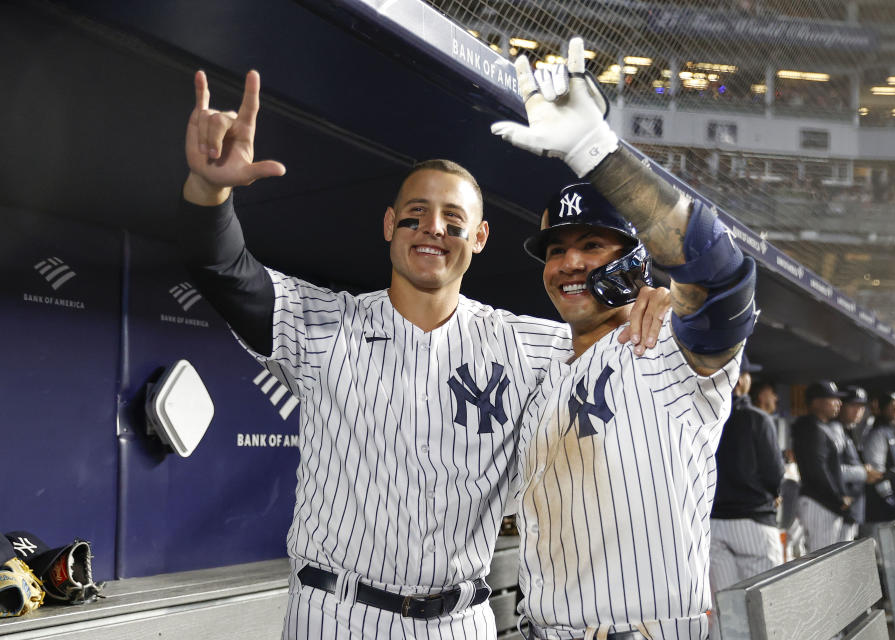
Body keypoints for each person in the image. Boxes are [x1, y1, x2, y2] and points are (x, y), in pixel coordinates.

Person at [178, 69, 671, 639]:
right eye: (416, 213)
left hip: (459, 621)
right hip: (338, 614)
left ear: (479, 238)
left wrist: (652, 302)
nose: (432, 228)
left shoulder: (533, 347)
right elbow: (223, 271)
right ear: (390, 226)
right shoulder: (325, 326)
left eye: (453, 220)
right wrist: (209, 191)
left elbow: (634, 367)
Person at [492, 38, 758, 640]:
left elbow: (720, 274)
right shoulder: (545, 371)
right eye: (556, 251)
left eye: (591, 245)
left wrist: (596, 154)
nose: (568, 263)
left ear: (636, 263)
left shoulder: (667, 343)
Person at [709, 355, 784, 600]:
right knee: (768, 607)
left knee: (727, 611)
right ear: (739, 380)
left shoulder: (704, 419)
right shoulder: (757, 418)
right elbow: (774, 473)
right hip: (753, 521)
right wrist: (775, 493)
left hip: (713, 524)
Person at [791, 381, 851, 552]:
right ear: (817, 402)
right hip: (818, 503)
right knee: (821, 561)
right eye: (833, 399)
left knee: (827, 560)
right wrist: (838, 498)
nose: (839, 403)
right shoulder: (811, 428)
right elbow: (817, 469)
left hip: (822, 503)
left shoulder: (818, 427)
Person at [862, 392, 895, 532]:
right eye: (890, 406)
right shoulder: (877, 434)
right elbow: (876, 471)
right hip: (883, 507)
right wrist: (889, 499)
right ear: (881, 409)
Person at [836, 386, 882, 541]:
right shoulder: (835, 431)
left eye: (861, 407)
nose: (858, 411)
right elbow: (832, 469)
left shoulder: (852, 430)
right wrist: (863, 472)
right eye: (853, 405)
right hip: (838, 509)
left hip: (852, 508)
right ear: (840, 405)